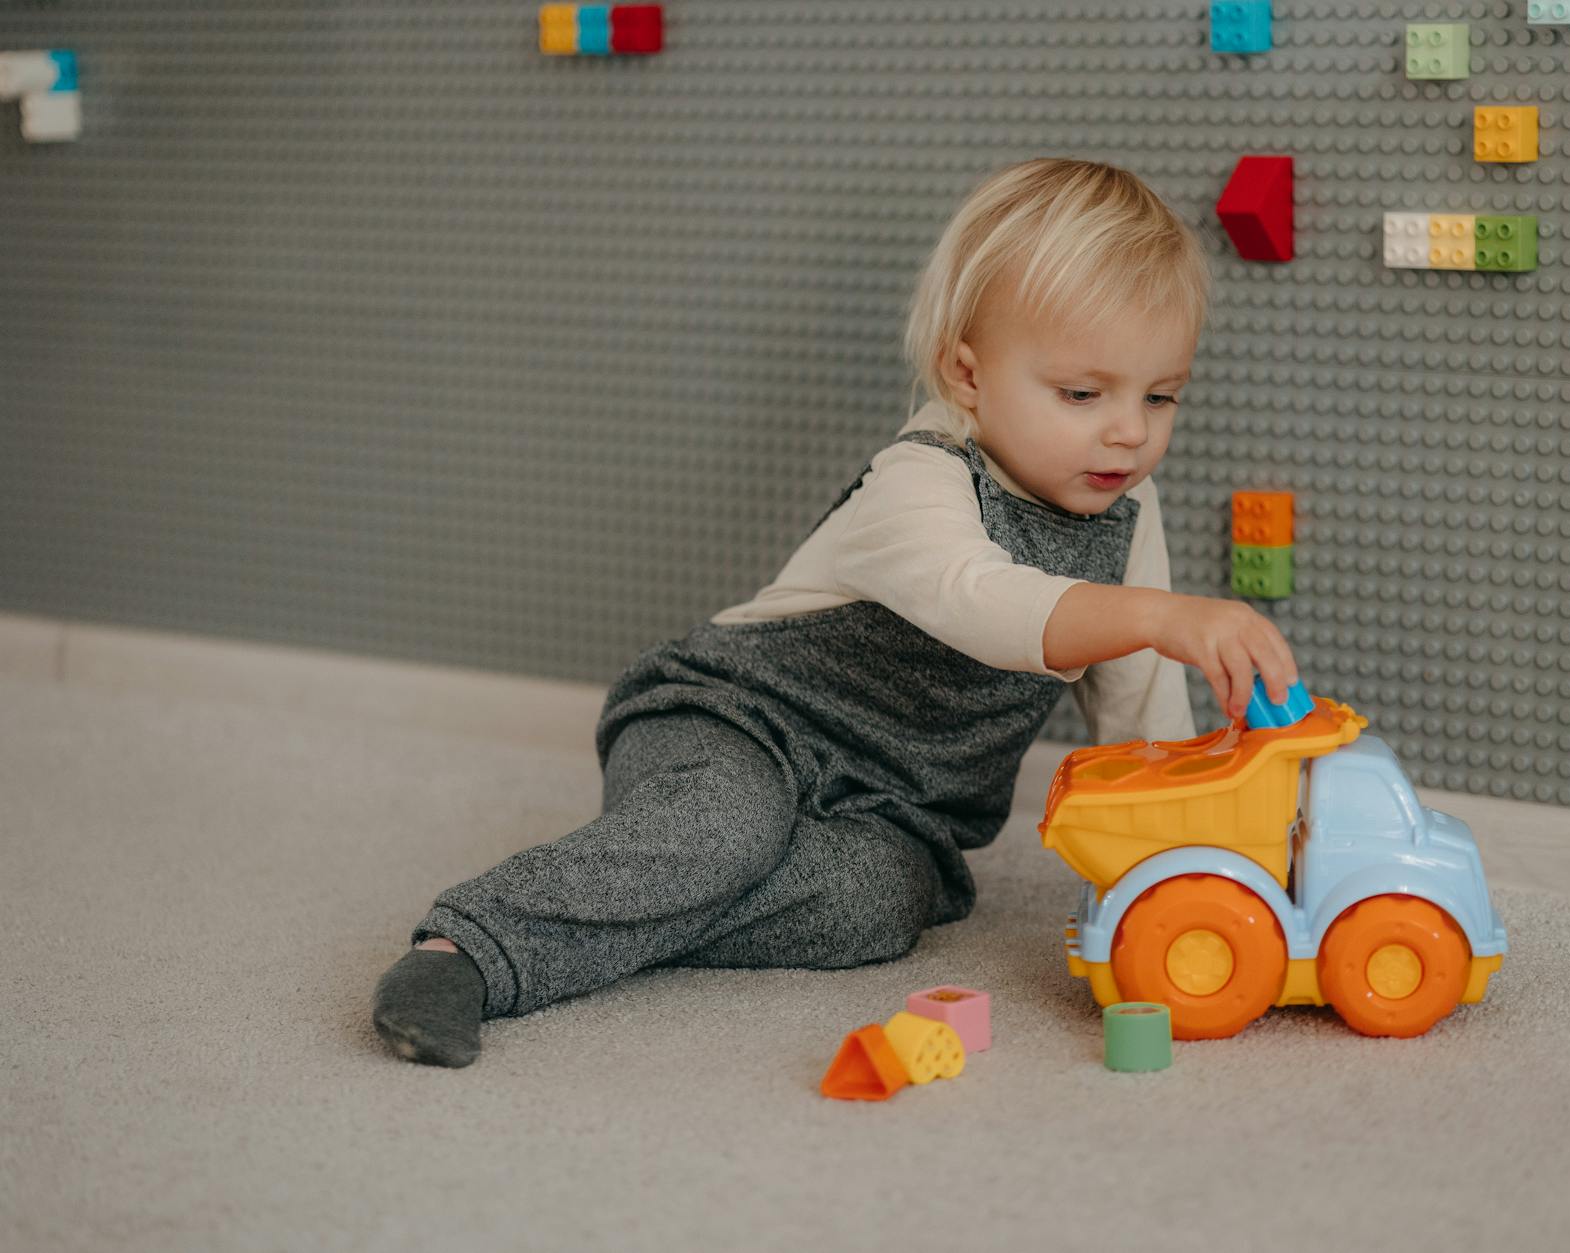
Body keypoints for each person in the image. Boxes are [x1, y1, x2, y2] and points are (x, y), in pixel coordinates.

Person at [371, 157, 1299, 1067]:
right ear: (967, 376)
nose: (1130, 430)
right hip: (736, 721)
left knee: (883, 907)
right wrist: (1160, 614)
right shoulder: (922, 479)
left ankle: (647, 910)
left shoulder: (1127, 519)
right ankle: (471, 946)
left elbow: (1142, 727)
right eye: (1083, 394)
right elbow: (984, 603)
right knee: (728, 826)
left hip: (894, 806)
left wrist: (1198, 865)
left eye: (1160, 395)